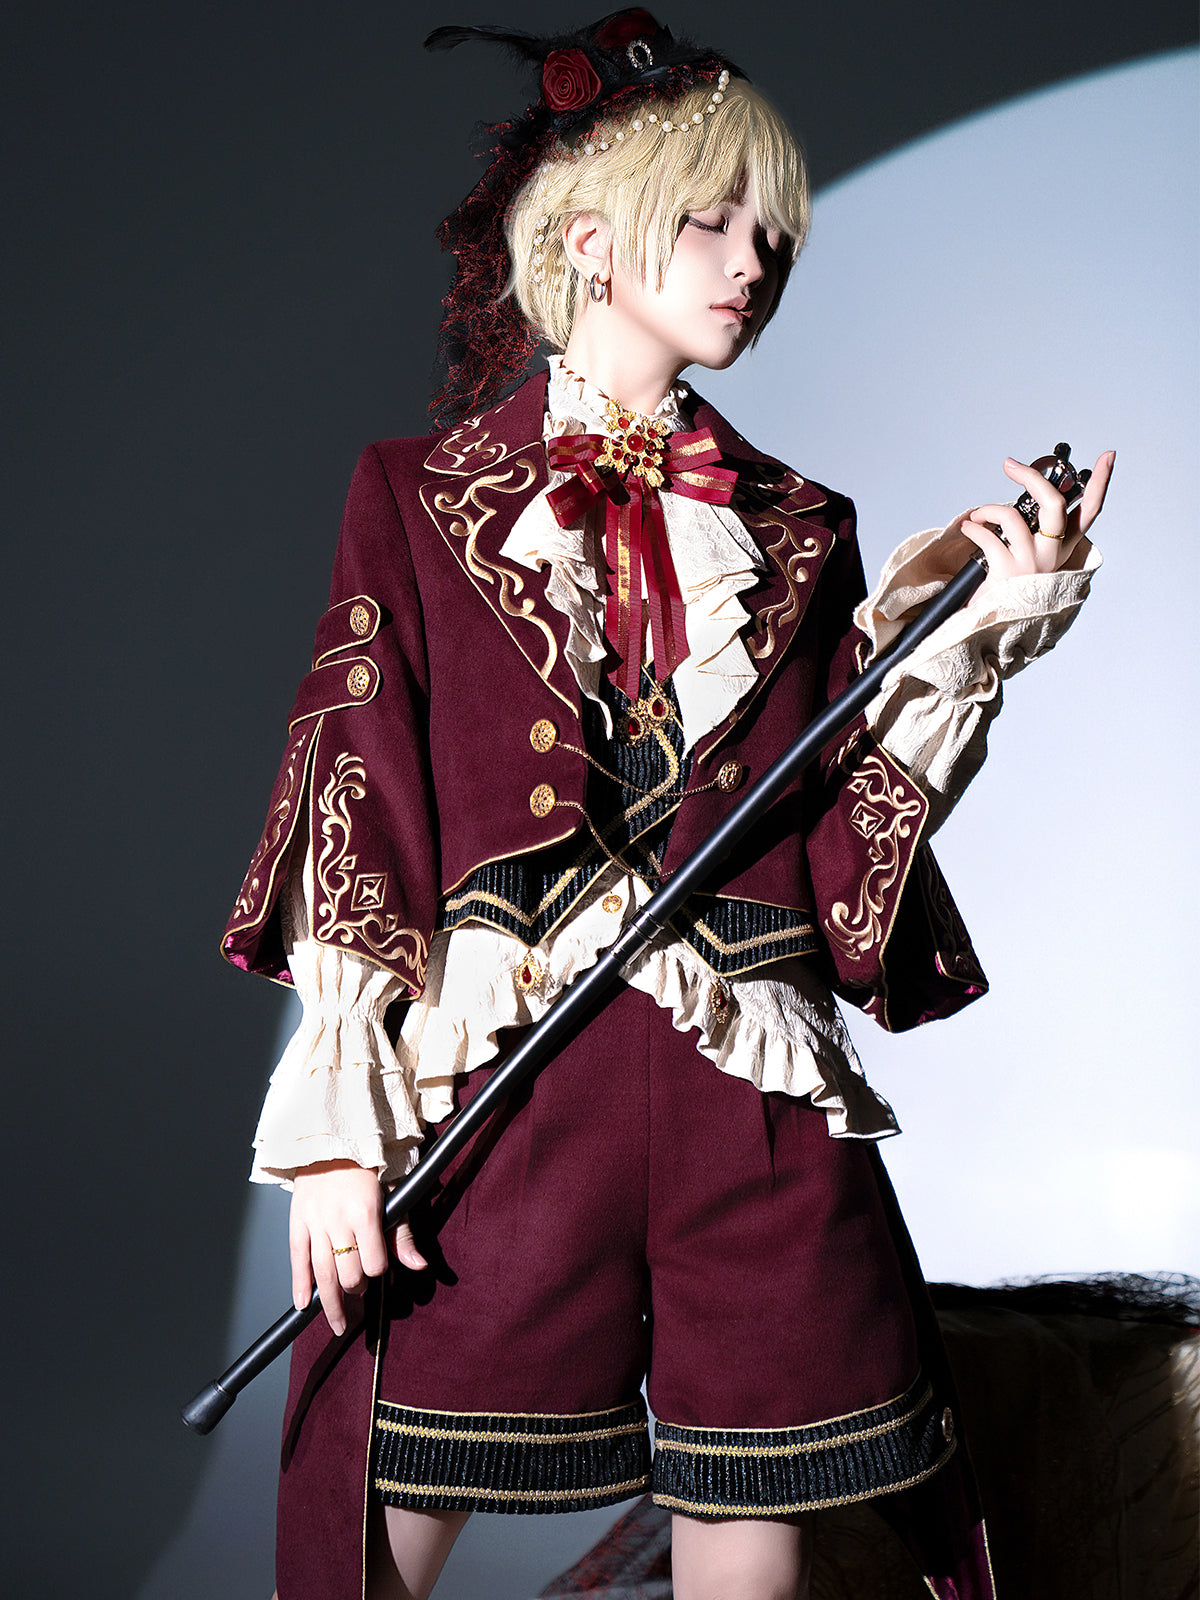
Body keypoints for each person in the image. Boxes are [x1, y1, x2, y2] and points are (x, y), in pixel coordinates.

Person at [221, 12, 1112, 1600]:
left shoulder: (805, 529)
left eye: (775, 234)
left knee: (759, 1510)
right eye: (713, 218)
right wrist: (338, 1144)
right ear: (591, 240)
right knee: (374, 1515)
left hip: (750, 1107)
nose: (754, 260)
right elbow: (354, 788)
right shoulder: (415, 500)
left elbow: (836, 847)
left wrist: (978, 636)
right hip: (508, 1095)